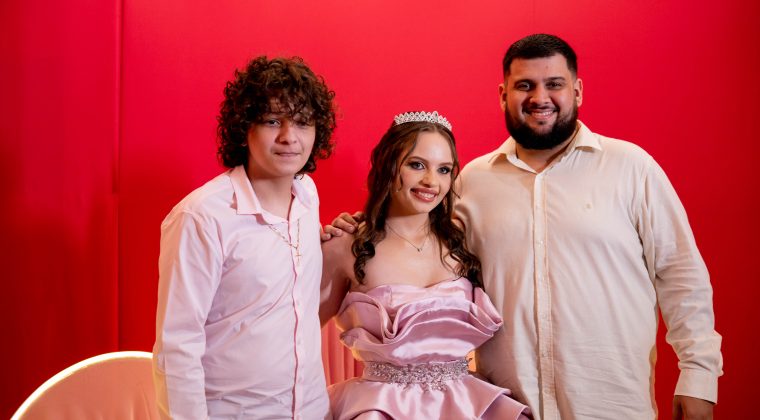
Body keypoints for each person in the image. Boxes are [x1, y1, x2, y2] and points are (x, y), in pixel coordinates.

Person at [326, 35, 722, 420]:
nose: (540, 97)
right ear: (504, 94)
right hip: (511, 404)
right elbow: (416, 227)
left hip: (610, 400)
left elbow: (680, 273)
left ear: (578, 91)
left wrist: (698, 375)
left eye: (554, 84)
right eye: (525, 86)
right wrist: (362, 227)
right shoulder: (472, 181)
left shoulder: (631, 168)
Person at [153, 56, 336, 419]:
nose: (289, 137)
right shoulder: (202, 217)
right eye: (272, 121)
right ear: (244, 127)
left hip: (313, 410)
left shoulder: (307, 195)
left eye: (302, 122)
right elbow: (177, 347)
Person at [320, 111, 531, 419]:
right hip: (381, 407)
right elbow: (297, 335)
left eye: (443, 169)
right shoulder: (345, 246)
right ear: (389, 164)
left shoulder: (464, 240)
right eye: (417, 165)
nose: (431, 181)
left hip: (465, 405)